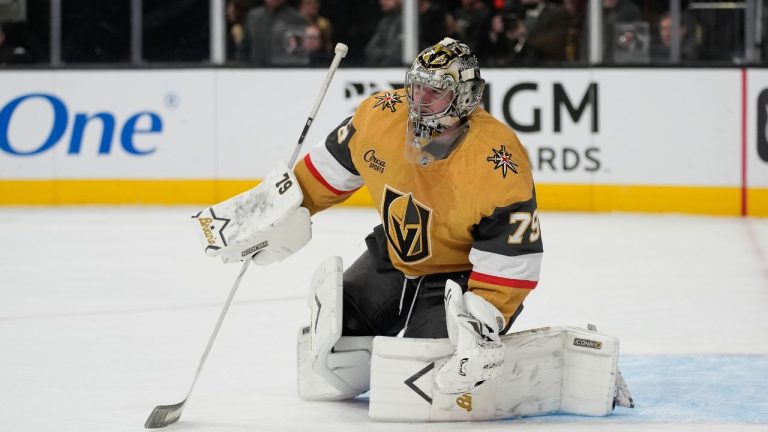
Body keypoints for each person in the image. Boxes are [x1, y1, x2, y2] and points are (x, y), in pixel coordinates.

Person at [293, 37, 543, 393]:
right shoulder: (381, 115)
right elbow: (323, 173)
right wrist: (278, 210)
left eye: (435, 93)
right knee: (335, 335)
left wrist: (481, 322)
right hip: (393, 256)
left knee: (425, 371)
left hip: (457, 282)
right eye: (417, 88)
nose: (420, 101)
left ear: (465, 97)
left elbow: (512, 259)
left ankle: (494, 356)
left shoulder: (498, 161)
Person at [243, 0, 306, 66]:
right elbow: (244, 47)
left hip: (284, 70)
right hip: (254, 70)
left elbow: (299, 52)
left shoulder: (296, 19)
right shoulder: (253, 16)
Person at [364, 0, 404, 66]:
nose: (382, 1)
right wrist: (385, 52)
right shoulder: (384, 22)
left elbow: (396, 56)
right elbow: (369, 51)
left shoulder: (410, 22)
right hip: (381, 71)